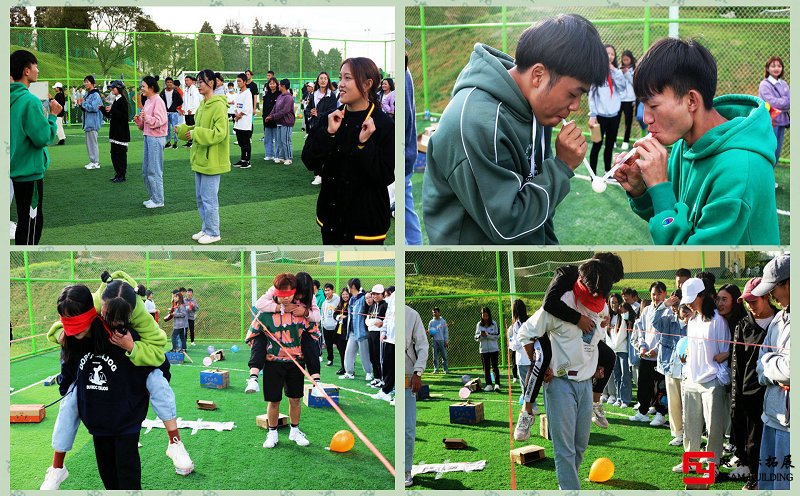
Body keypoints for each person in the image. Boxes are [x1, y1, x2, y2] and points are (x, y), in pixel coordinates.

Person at [423, 14, 607, 244]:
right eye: (573, 93)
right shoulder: (475, 123)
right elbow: (506, 227)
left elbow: (534, 191)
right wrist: (561, 166)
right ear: (538, 75)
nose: (575, 106)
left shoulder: (533, 107)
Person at [613, 37, 780, 245]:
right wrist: (642, 189)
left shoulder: (740, 170)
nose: (646, 118)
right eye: (643, 105)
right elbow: (674, 218)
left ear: (691, 101)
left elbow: (684, 254)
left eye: (653, 106)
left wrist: (659, 185)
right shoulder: (685, 143)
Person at [41, 273, 193, 490]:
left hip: (125, 419)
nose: (111, 324)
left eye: (118, 320)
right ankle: (57, 466)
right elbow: (66, 354)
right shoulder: (86, 317)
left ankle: (174, 441)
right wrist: (63, 336)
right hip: (98, 420)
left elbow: (160, 357)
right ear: (98, 308)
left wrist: (132, 347)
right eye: (106, 315)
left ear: (129, 315)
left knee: (128, 476)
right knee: (108, 477)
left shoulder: (135, 323)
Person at [515, 258, 613, 490]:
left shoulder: (602, 304)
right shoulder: (558, 304)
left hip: (586, 385)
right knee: (564, 449)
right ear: (582, 285)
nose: (597, 301)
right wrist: (539, 361)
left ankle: (567, 487)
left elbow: (594, 340)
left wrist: (595, 363)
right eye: (594, 295)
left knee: (580, 446)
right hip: (560, 383)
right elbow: (525, 334)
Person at [301, 57, 395, 244]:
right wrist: (328, 134)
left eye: (348, 78)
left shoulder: (383, 124)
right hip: (331, 220)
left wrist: (364, 145)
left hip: (366, 225)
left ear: (368, 84)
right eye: (340, 77)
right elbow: (309, 160)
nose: (341, 84)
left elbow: (386, 175)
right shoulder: (330, 118)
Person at [671, 277, 730, 475]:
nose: (688, 303)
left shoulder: (718, 322)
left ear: (702, 295)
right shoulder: (693, 321)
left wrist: (720, 378)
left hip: (712, 380)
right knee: (690, 424)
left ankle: (712, 465)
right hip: (691, 379)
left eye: (691, 299)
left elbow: (724, 352)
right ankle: (691, 460)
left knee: (714, 427)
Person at [254, 273, 318, 449]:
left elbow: (315, 324)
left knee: (295, 399)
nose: (287, 298)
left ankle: (295, 431)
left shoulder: (304, 309)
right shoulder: (268, 306)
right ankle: (272, 433)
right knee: (274, 401)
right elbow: (255, 328)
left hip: (295, 362)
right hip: (274, 362)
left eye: (291, 294)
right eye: (282, 294)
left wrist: (305, 312)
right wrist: (276, 308)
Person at [10, 49, 60, 246]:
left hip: (15, 168)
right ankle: (26, 262)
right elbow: (42, 138)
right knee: (31, 222)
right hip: (29, 172)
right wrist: (53, 116)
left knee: (25, 218)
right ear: (26, 71)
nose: (38, 70)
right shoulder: (29, 100)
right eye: (35, 66)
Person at [728, 277, 775, 489]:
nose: (750, 306)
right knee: (753, 439)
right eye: (747, 302)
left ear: (767, 297)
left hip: (776, 393)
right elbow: (736, 365)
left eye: (753, 301)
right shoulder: (743, 325)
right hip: (750, 394)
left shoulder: (781, 322)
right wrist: (736, 397)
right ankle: (755, 476)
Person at [176, 69, 231, 245]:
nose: (198, 85)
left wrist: (196, 133)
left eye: (202, 81)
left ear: (212, 83)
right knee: (201, 197)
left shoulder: (219, 105)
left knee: (209, 198)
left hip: (212, 160)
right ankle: (206, 228)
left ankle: (214, 232)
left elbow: (220, 133)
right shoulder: (203, 105)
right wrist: (183, 130)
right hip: (200, 159)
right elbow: (195, 128)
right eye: (198, 81)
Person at [753, 254, 790, 490]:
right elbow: (760, 364)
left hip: (790, 425)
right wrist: (772, 363)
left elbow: (790, 370)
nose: (771, 295)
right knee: (769, 484)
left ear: (789, 283)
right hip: (772, 416)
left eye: (773, 288)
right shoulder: (779, 318)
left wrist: (770, 363)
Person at [629, 281, 669, 426]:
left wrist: (656, 350)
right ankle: (642, 411)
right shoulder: (646, 310)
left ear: (664, 293)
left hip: (661, 357)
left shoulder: (668, 310)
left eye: (659, 293)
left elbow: (666, 334)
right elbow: (640, 331)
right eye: (653, 294)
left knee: (661, 387)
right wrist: (642, 347)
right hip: (646, 355)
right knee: (643, 384)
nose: (656, 297)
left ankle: (660, 413)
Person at [652, 290, 689, 447]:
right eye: (681, 307)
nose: (684, 311)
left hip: (689, 372)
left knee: (689, 405)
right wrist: (663, 305)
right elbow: (654, 322)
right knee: (674, 404)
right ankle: (678, 434)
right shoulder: (668, 321)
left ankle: (691, 434)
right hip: (671, 369)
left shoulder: (695, 325)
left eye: (688, 308)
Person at [588, 44, 627, 175]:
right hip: (598, 117)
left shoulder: (617, 72)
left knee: (609, 146)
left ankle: (607, 172)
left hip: (614, 117)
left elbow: (622, 87)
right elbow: (591, 96)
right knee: (596, 144)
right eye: (607, 53)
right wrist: (592, 115)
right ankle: (593, 174)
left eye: (612, 54)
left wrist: (614, 71)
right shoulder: (596, 73)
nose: (610, 56)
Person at [134, 76, 168, 209]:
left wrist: (146, 118)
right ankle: (153, 197)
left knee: (154, 170)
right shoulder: (148, 101)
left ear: (151, 87)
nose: (141, 88)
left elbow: (160, 120)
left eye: (143, 86)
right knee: (146, 170)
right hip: (148, 137)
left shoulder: (158, 101)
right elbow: (145, 124)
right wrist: (139, 121)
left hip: (156, 138)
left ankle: (159, 200)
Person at [404, 305, 428, 487]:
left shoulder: (412, 314)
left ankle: (406, 469)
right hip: (389, 377)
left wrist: (418, 372)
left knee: (408, 429)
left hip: (406, 378)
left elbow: (422, 346)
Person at [303, 71, 338, 185]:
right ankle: (317, 175)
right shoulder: (314, 94)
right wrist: (311, 112)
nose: (323, 80)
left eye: (325, 78)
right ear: (318, 81)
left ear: (328, 81)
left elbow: (333, 111)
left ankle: (326, 174)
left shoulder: (331, 95)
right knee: (315, 150)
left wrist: (319, 114)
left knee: (327, 151)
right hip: (314, 127)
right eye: (321, 78)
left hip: (327, 127)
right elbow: (307, 110)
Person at [405, 42, 423, 245]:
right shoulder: (406, 73)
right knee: (408, 214)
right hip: (407, 156)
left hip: (404, 157)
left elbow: (406, 120)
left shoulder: (404, 75)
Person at [758, 56, 790, 164]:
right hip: (770, 122)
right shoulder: (764, 85)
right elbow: (772, 102)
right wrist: (785, 101)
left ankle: (771, 178)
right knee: (769, 150)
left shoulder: (784, 84)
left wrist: (783, 101)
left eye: (779, 66)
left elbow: (791, 101)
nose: (776, 68)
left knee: (777, 152)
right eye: (773, 66)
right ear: (767, 68)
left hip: (782, 122)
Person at [339, 278, 373, 380]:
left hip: (362, 332)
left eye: (349, 285)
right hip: (352, 332)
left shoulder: (363, 298)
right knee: (349, 352)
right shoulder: (351, 299)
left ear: (353, 286)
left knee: (364, 354)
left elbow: (368, 309)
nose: (348, 287)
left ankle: (369, 372)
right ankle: (349, 372)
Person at [100, 80, 131, 183]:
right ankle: (117, 173)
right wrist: (102, 109)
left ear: (119, 89)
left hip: (121, 132)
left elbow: (124, 116)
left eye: (114, 88)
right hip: (115, 132)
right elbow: (111, 115)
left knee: (120, 154)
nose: (112, 89)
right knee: (114, 154)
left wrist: (112, 110)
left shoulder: (123, 100)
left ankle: (122, 175)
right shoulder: (116, 100)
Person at [606, 293, 632, 407]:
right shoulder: (609, 317)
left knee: (625, 375)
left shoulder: (623, 316)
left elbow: (622, 334)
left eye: (616, 302)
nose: (613, 305)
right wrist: (611, 347)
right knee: (616, 375)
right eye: (611, 302)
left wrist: (614, 345)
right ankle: (618, 397)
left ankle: (625, 399)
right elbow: (607, 335)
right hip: (613, 350)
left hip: (622, 350)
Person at [372, 289, 396, 402]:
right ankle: (385, 391)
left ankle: (396, 394)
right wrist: (383, 331)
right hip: (389, 339)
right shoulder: (393, 298)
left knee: (397, 368)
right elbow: (387, 316)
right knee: (388, 366)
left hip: (398, 340)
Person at [265, 79, 295, 165]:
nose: (278, 86)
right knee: (280, 141)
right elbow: (274, 108)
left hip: (286, 122)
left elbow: (284, 111)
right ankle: (281, 157)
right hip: (279, 122)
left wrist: (272, 117)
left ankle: (288, 158)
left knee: (286, 140)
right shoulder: (280, 96)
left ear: (283, 86)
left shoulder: (289, 97)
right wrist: (269, 116)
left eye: (279, 85)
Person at [79, 75, 104, 170]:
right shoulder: (88, 94)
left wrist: (83, 103)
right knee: (89, 143)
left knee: (92, 143)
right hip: (88, 122)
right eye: (84, 82)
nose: (85, 83)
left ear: (92, 83)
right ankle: (92, 161)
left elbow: (94, 108)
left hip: (93, 122)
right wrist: (82, 104)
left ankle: (95, 162)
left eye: (87, 82)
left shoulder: (95, 95)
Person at [508, 299, 531, 396]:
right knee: (532, 384)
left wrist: (510, 344)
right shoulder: (530, 321)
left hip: (522, 359)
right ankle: (532, 406)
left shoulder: (517, 324)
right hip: (532, 357)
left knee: (525, 386)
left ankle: (530, 407)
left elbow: (517, 343)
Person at [475, 307, 501, 392]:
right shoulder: (479, 324)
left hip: (494, 349)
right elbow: (476, 337)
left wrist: (488, 335)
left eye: (486, 315)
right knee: (486, 368)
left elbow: (497, 336)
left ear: (489, 315)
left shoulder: (494, 323)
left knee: (495, 367)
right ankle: (489, 384)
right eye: (483, 315)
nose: (485, 317)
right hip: (483, 350)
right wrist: (481, 336)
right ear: (481, 315)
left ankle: (497, 384)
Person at [232, 73, 254, 169]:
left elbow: (247, 108)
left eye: (240, 81)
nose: (238, 83)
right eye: (237, 81)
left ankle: (247, 161)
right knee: (241, 142)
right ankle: (242, 159)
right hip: (238, 123)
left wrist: (239, 115)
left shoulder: (248, 93)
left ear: (245, 82)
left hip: (245, 123)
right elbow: (236, 106)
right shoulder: (238, 93)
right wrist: (236, 114)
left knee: (246, 142)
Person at [618, 50, 637, 150]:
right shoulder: (618, 69)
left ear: (631, 59)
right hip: (619, 99)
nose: (625, 61)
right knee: (615, 120)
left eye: (627, 59)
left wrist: (627, 74)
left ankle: (626, 141)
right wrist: (621, 72)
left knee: (628, 121)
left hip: (629, 100)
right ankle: (613, 140)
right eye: (624, 59)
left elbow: (634, 82)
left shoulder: (634, 69)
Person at [320, 283, 341, 367]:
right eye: (325, 290)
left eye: (328, 290)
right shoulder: (324, 302)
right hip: (326, 326)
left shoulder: (338, 299)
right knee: (328, 345)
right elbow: (323, 314)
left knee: (339, 345)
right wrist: (323, 322)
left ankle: (343, 361)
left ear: (332, 290)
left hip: (336, 326)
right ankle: (330, 359)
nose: (327, 292)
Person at [161, 77, 184, 149]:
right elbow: (160, 102)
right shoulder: (162, 92)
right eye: (168, 82)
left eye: (171, 82)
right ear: (165, 83)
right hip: (165, 113)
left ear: (172, 83)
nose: (169, 84)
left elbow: (180, 101)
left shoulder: (175, 92)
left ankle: (175, 143)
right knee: (167, 128)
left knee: (175, 128)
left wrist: (174, 107)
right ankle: (168, 142)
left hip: (174, 113)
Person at [333, 288, 350, 375]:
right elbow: (334, 314)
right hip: (339, 331)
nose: (345, 296)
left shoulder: (351, 304)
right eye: (343, 294)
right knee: (341, 351)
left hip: (346, 332)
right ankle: (343, 367)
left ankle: (349, 369)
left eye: (346, 294)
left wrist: (345, 318)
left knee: (348, 352)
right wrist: (339, 316)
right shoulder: (340, 304)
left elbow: (351, 317)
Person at [262, 77, 280, 161]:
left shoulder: (279, 94)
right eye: (270, 83)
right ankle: (269, 154)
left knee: (277, 139)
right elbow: (265, 108)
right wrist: (265, 117)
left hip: (276, 120)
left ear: (276, 84)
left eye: (273, 83)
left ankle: (277, 155)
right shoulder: (266, 95)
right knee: (267, 138)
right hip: (267, 120)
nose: (272, 85)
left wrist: (273, 116)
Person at [428, 307, 449, 374]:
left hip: (442, 340)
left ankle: (445, 369)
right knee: (435, 356)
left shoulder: (443, 321)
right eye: (433, 312)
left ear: (439, 313)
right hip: (435, 341)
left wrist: (446, 341)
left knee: (444, 356)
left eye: (436, 312)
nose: (434, 313)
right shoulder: (431, 322)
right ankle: (436, 369)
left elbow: (446, 331)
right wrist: (431, 334)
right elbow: (429, 331)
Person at [181, 75, 200, 148]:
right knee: (188, 126)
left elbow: (195, 100)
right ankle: (189, 141)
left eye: (188, 80)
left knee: (193, 126)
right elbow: (184, 100)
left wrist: (191, 109)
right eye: (185, 80)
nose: (186, 82)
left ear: (192, 81)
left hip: (193, 112)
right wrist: (183, 109)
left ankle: (194, 141)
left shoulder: (194, 89)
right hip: (187, 112)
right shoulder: (186, 89)